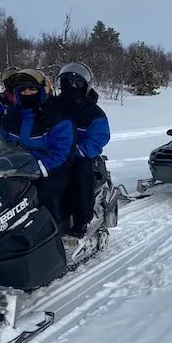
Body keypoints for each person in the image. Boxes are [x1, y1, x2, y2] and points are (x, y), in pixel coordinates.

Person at [0, 68, 76, 227]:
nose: (27, 93)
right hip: (16, 170)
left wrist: (38, 168)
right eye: (22, 90)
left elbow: (61, 154)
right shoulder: (11, 117)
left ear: (40, 90)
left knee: (42, 196)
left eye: (32, 89)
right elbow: (0, 144)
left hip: (49, 171)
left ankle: (53, 231)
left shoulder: (57, 119)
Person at [52, 62, 111, 238]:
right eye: (67, 82)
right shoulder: (52, 105)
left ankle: (81, 220)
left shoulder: (93, 112)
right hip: (53, 152)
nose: (72, 86)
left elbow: (98, 138)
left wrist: (77, 151)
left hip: (79, 155)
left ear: (85, 86)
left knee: (81, 174)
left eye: (77, 83)